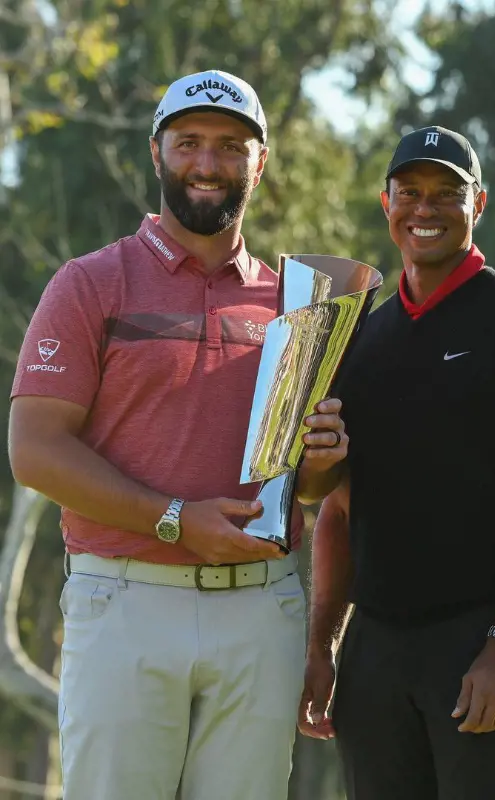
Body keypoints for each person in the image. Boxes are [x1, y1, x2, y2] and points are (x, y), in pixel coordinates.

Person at [8, 69, 348, 800]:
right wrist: (175, 521)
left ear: (261, 163)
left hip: (263, 606)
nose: (207, 163)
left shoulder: (297, 300)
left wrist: (323, 461)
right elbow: (34, 448)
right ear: (157, 151)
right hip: (126, 599)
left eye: (231, 147)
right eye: (189, 142)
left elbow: (301, 484)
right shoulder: (91, 283)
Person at [298, 125, 495, 799]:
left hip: (481, 641)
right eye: (410, 192)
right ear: (385, 202)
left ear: (477, 204)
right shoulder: (357, 332)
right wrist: (321, 646)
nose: (424, 208)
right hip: (376, 650)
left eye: (447, 194)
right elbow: (337, 509)